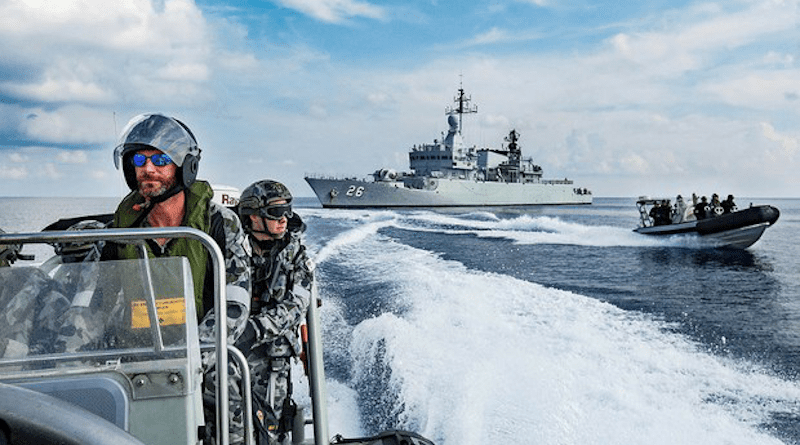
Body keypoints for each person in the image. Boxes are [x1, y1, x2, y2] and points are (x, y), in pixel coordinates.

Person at [108, 113, 251, 442]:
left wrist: (191, 355)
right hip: (135, 357)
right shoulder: (121, 227)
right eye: (139, 159)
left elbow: (234, 305)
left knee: (228, 395)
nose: (148, 169)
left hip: (202, 354)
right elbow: (96, 295)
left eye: (160, 159)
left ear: (184, 166)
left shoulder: (219, 223)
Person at [235, 180, 313, 445]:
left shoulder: (296, 255)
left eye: (288, 211)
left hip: (272, 360)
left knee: (270, 431)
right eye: (277, 213)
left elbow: (297, 304)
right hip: (230, 356)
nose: (284, 220)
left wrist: (255, 329)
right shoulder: (231, 249)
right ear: (254, 216)